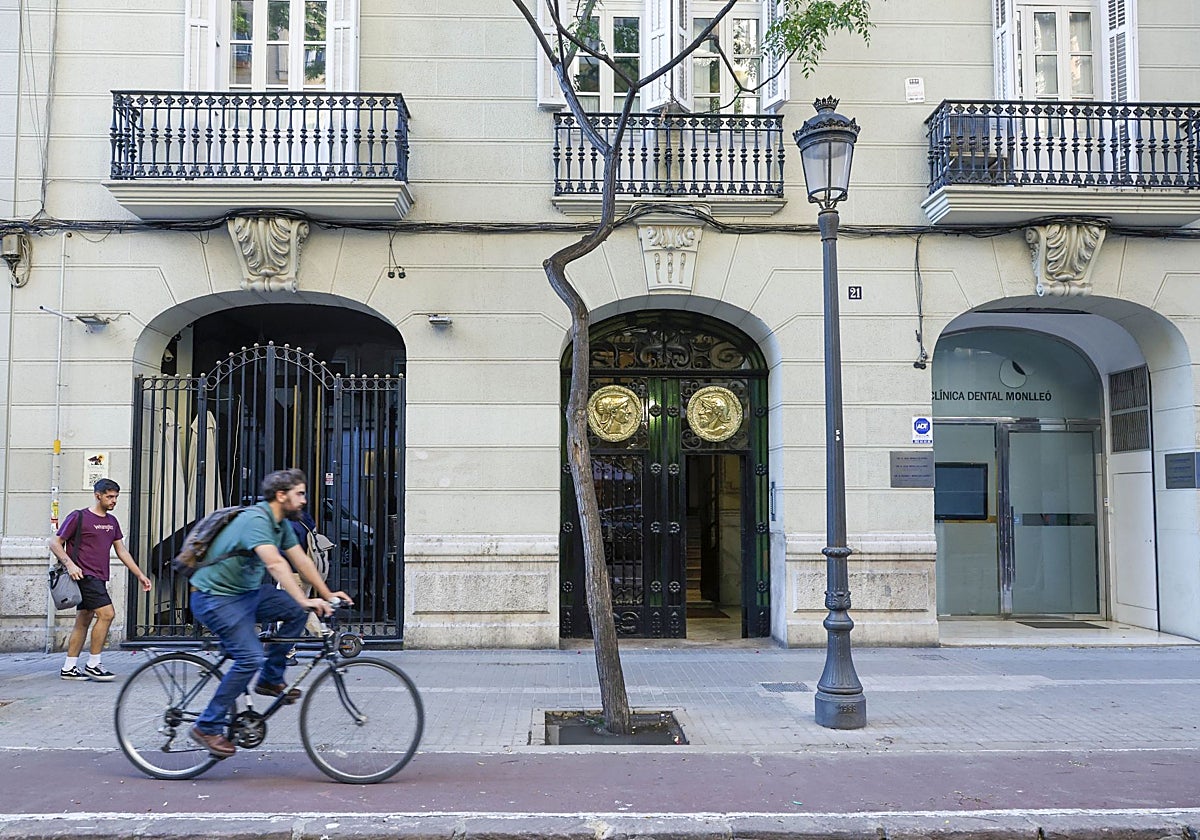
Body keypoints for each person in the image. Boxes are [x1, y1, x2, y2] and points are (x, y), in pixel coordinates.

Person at [187, 468, 352, 759]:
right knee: (249, 657)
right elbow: (276, 564)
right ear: (281, 495)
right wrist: (305, 599)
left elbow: (300, 559)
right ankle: (207, 725)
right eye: (299, 494)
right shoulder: (257, 520)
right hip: (215, 599)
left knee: (293, 613)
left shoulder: (281, 524)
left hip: (245, 595)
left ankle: (270, 679)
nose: (303, 500)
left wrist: (325, 594)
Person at [48, 478, 153, 681]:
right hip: (85, 576)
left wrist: (139, 574)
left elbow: (121, 551)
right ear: (98, 496)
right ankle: (93, 664)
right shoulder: (79, 517)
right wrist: (70, 564)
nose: (114, 501)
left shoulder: (112, 522)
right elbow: (54, 542)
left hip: (99, 576)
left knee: (83, 621)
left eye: (116, 497)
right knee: (107, 614)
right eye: (110, 496)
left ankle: (69, 668)